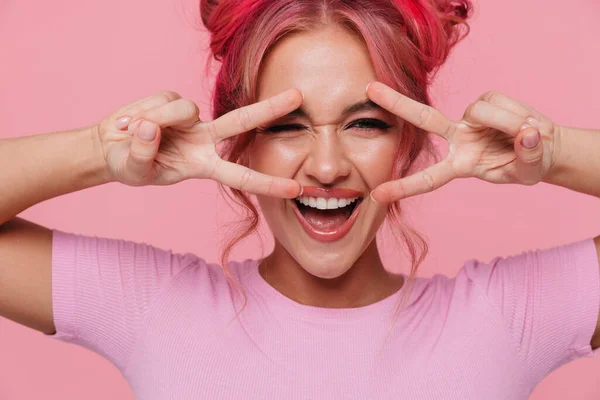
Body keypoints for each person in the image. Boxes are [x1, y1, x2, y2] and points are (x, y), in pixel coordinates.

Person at [1, 0, 599, 398]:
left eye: (366, 124)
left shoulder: (506, 318)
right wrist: (101, 152)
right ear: (240, 144)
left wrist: (554, 153)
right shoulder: (152, 305)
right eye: (286, 126)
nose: (329, 166)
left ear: (410, 139)